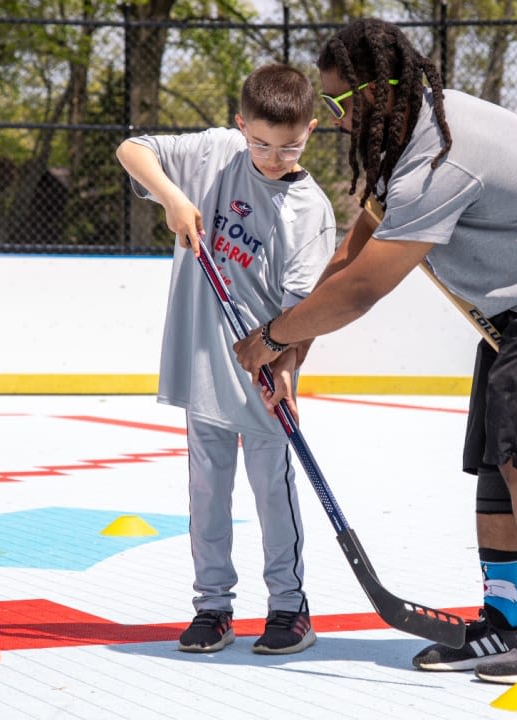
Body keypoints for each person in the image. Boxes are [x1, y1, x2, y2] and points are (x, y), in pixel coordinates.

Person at [233, 18, 517, 685]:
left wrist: (269, 337)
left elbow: (368, 286)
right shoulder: (406, 136)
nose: (336, 121)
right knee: (499, 457)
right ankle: (501, 620)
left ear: (375, 92)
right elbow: (353, 251)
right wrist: (296, 348)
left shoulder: (438, 156)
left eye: (340, 103)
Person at [116, 63, 335, 655]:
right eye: (260, 143)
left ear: (312, 130)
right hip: (203, 366)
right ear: (241, 126)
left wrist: (285, 367)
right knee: (207, 491)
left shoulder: (309, 210)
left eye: (289, 146)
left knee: (272, 490)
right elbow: (132, 149)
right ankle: (213, 606)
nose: (272, 156)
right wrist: (173, 199)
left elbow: (302, 314)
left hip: (260, 375)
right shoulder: (215, 154)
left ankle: (290, 606)